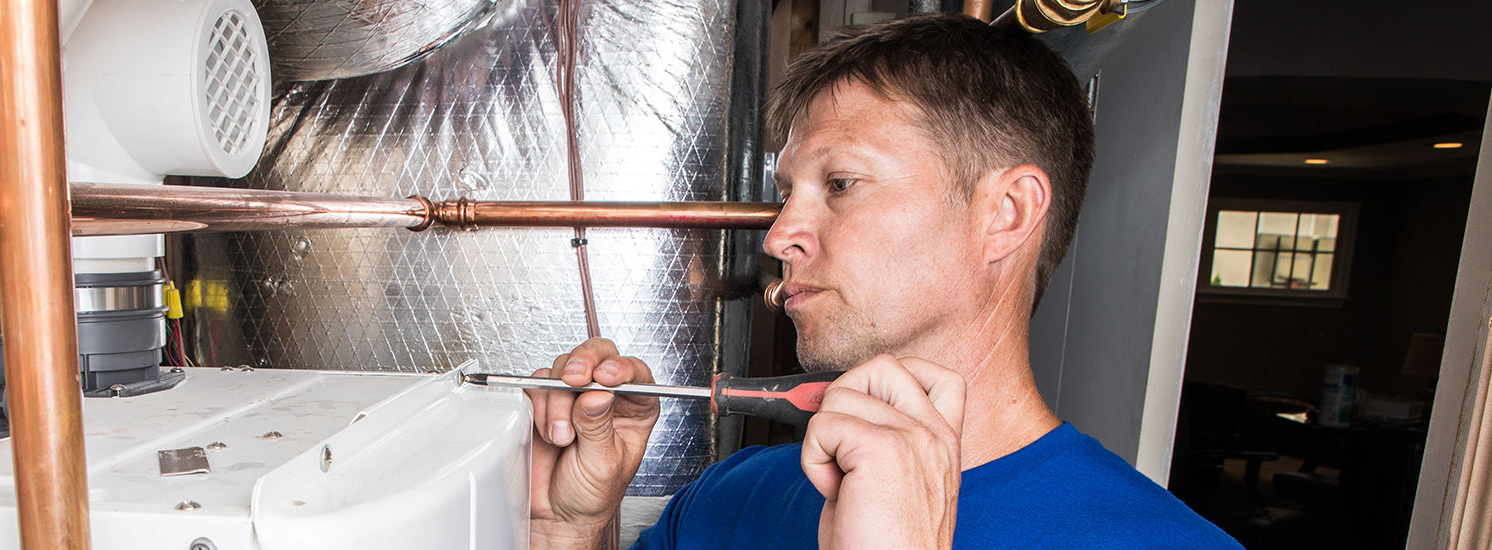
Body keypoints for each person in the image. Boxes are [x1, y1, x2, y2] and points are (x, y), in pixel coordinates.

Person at [525, 14, 1241, 550]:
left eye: (841, 183)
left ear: (1006, 213)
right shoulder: (730, 498)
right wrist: (571, 531)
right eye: (787, 194)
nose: (778, 237)